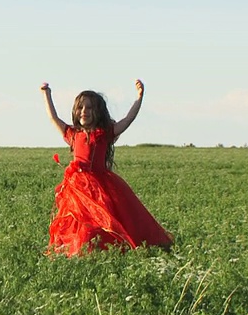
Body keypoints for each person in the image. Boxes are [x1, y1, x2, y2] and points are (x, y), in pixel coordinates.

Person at [40, 79, 173, 256]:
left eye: (89, 108)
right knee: (79, 221)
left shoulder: (105, 134)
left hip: (100, 185)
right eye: (81, 108)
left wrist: (139, 98)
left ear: (98, 112)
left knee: (104, 219)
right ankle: (78, 251)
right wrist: (46, 94)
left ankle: (105, 249)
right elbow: (53, 118)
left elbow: (128, 119)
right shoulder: (72, 134)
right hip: (77, 187)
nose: (84, 112)